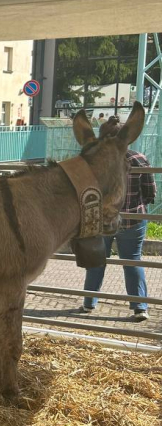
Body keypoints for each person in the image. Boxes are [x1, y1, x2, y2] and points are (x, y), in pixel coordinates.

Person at [79, 116, 156, 322]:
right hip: (133, 219)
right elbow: (150, 192)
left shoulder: (94, 161)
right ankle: (139, 307)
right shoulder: (138, 159)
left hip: (102, 220)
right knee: (132, 261)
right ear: (127, 137)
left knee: (97, 260)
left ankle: (89, 302)